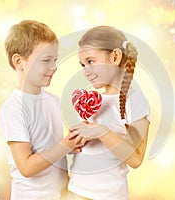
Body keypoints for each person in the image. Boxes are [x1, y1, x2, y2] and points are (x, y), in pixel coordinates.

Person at [0, 20, 85, 200]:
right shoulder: (13, 109)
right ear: (19, 62)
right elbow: (27, 167)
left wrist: (72, 144)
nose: (54, 67)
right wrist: (65, 145)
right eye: (46, 60)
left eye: (55, 60)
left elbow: (47, 149)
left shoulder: (53, 101)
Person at [67, 26, 151, 200]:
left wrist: (101, 131)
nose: (86, 71)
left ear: (115, 57)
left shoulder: (134, 100)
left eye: (90, 61)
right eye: (83, 65)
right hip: (75, 191)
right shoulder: (92, 101)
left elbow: (136, 159)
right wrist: (74, 140)